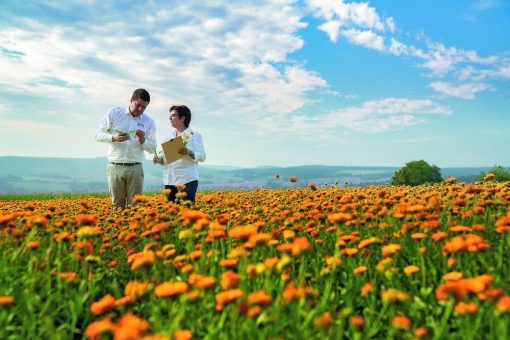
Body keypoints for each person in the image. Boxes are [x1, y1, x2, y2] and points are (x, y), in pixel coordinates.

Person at [95, 88, 157, 209]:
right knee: (117, 206)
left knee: (136, 208)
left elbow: (153, 148)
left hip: (136, 168)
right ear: (131, 100)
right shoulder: (115, 113)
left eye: (144, 107)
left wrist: (143, 140)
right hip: (115, 166)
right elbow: (98, 134)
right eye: (138, 105)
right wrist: (113, 137)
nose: (140, 110)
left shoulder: (149, 122)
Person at [154, 105, 205, 204]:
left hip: (187, 180)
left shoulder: (194, 135)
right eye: (170, 116)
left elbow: (202, 156)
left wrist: (188, 152)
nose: (170, 118)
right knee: (170, 214)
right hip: (169, 181)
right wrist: (159, 160)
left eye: (173, 115)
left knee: (186, 213)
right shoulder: (168, 137)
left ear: (183, 118)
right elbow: (166, 160)